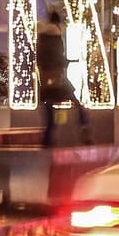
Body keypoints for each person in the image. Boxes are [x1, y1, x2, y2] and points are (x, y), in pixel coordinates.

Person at [37, 11, 91, 147]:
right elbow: (56, 57)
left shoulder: (42, 38)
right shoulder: (54, 37)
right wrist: (67, 62)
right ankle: (84, 127)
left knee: (49, 109)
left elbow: (43, 59)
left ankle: (48, 140)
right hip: (57, 79)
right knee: (76, 103)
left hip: (46, 81)